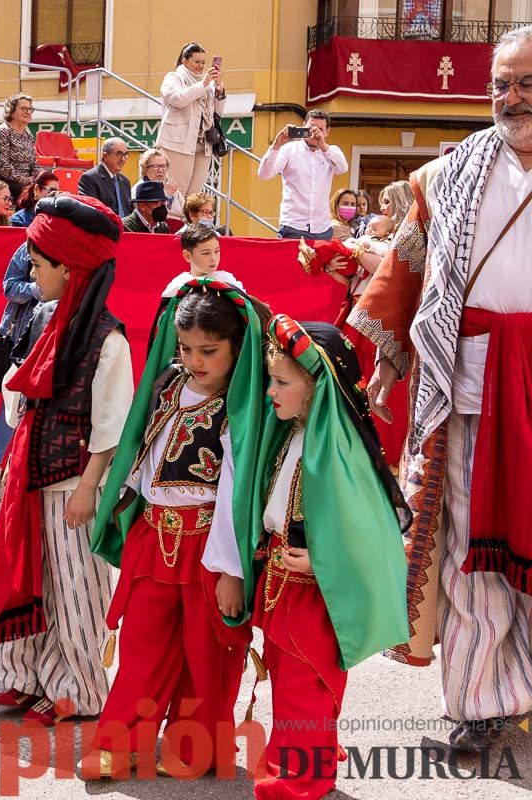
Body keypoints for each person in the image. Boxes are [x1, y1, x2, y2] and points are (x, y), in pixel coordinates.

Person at [347, 26, 532, 752]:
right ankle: (481, 704)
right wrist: (388, 370)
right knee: (466, 548)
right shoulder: (444, 176)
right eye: (502, 85)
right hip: (467, 385)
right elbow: (407, 275)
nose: (512, 98)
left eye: (527, 83)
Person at [79, 280, 265, 780]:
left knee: (207, 655)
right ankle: (120, 743)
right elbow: (146, 455)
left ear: (237, 347)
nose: (196, 360)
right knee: (142, 645)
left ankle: (195, 746)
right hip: (154, 537)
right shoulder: (166, 386)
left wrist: (231, 570)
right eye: (186, 349)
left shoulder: (240, 408)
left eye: (209, 350)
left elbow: (234, 495)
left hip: (209, 544)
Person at [0, 194, 133, 727]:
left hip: (71, 482)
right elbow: (23, 401)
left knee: (75, 589)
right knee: (34, 578)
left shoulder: (108, 339)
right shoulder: (48, 322)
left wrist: (90, 490)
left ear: (69, 266)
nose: (31, 271)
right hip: (33, 473)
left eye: (39, 263)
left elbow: (112, 428)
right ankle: (31, 677)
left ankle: (80, 689)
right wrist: (6, 378)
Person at [238, 315, 408, 799]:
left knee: (304, 681)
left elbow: (369, 533)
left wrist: (319, 563)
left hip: (315, 591)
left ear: (316, 387)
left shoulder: (341, 450)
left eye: (281, 381)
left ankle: (304, 777)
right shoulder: (294, 433)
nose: (270, 391)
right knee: (288, 677)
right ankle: (295, 751)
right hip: (280, 578)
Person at [0, 226, 47, 489]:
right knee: (11, 395)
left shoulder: (68, 250)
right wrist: (38, 288)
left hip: (53, 333)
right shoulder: (24, 250)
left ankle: (18, 462)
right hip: (21, 334)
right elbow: (10, 287)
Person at [257, 110, 348, 240]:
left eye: (320, 129)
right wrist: (277, 143)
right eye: (310, 128)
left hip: (322, 228)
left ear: (327, 132)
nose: (314, 133)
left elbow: (342, 168)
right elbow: (264, 174)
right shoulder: (289, 150)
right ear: (303, 125)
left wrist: (322, 145)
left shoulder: (331, 151)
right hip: (293, 226)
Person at [156, 43, 225, 199]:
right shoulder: (174, 77)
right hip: (178, 143)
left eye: (203, 62)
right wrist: (204, 84)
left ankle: (190, 223)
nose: (200, 66)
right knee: (176, 190)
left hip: (204, 143)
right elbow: (177, 99)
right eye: (196, 62)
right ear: (185, 60)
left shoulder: (208, 83)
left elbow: (218, 112)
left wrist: (219, 90)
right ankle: (173, 223)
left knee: (195, 195)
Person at [0, 94, 39, 197]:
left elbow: (33, 164)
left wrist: (40, 177)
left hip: (25, 181)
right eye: (23, 108)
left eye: (30, 109)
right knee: (29, 192)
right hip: (3, 181)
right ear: (11, 111)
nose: (28, 112)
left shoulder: (27, 135)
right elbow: (2, 165)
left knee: (47, 188)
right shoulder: (2, 131)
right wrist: (22, 179)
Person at [78, 138, 133, 216]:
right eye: (119, 154)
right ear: (105, 156)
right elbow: (91, 212)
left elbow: (129, 211)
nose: (123, 159)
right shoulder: (89, 178)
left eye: (125, 154)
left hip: (126, 227)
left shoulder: (125, 181)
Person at [136, 147, 185, 218]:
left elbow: (184, 211)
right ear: (145, 168)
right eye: (155, 166)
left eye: (164, 166)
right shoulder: (140, 189)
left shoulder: (171, 187)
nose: (160, 170)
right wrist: (166, 195)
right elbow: (151, 215)